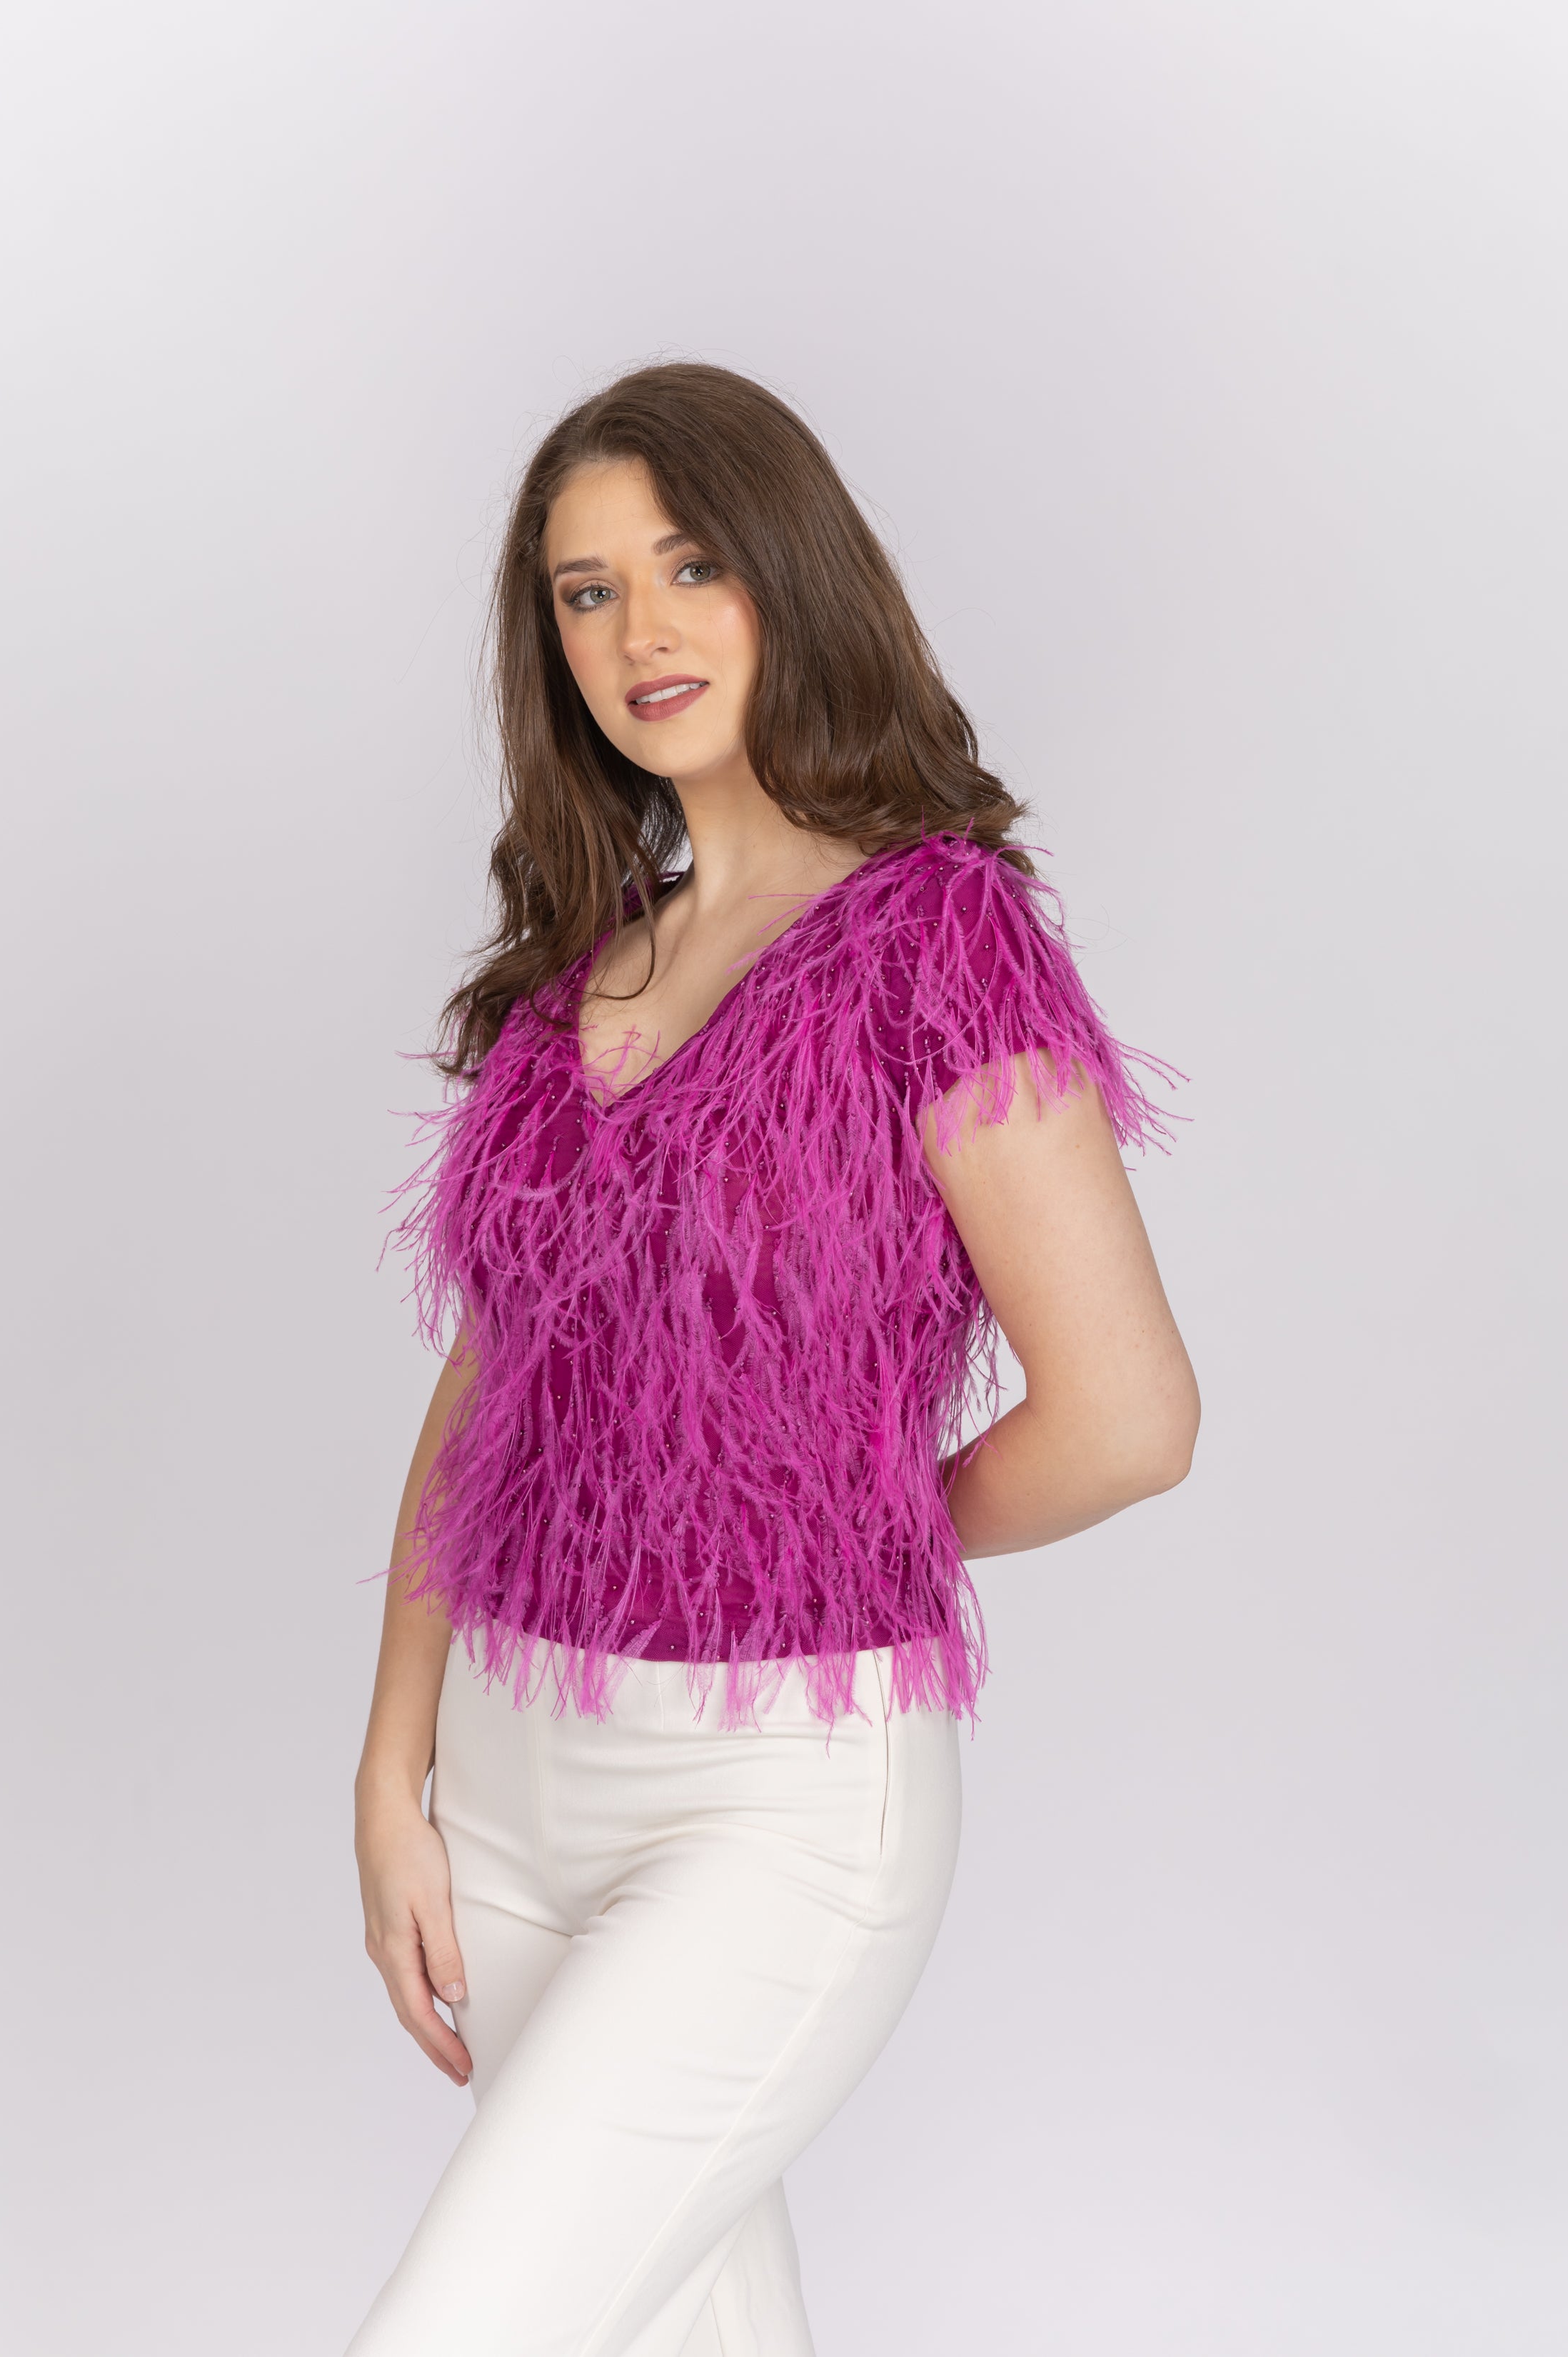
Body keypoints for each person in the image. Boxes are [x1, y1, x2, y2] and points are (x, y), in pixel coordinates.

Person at [348, 361, 1200, 2356]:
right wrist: (392, 1763)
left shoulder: (939, 940)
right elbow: (488, 1391)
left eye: (690, 565)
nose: (638, 631)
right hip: (511, 1778)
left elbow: (1129, 1417)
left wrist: (824, 1516)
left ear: (789, 574)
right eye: (584, 593)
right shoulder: (579, 975)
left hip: (777, 1797)